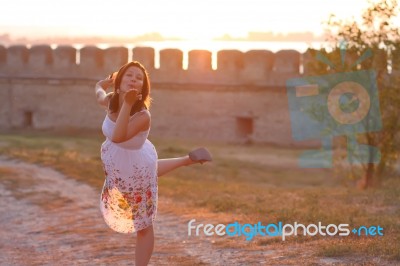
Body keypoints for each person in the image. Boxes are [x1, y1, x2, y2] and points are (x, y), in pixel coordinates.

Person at [94, 61, 212, 266]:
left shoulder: (142, 116)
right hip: (120, 165)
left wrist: (128, 104)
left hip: (133, 161)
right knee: (148, 171)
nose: (134, 79)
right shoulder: (112, 100)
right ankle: (187, 160)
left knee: (143, 225)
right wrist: (102, 83)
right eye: (129, 75)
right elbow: (98, 95)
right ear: (119, 80)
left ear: (143, 87)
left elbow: (118, 136)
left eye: (139, 78)